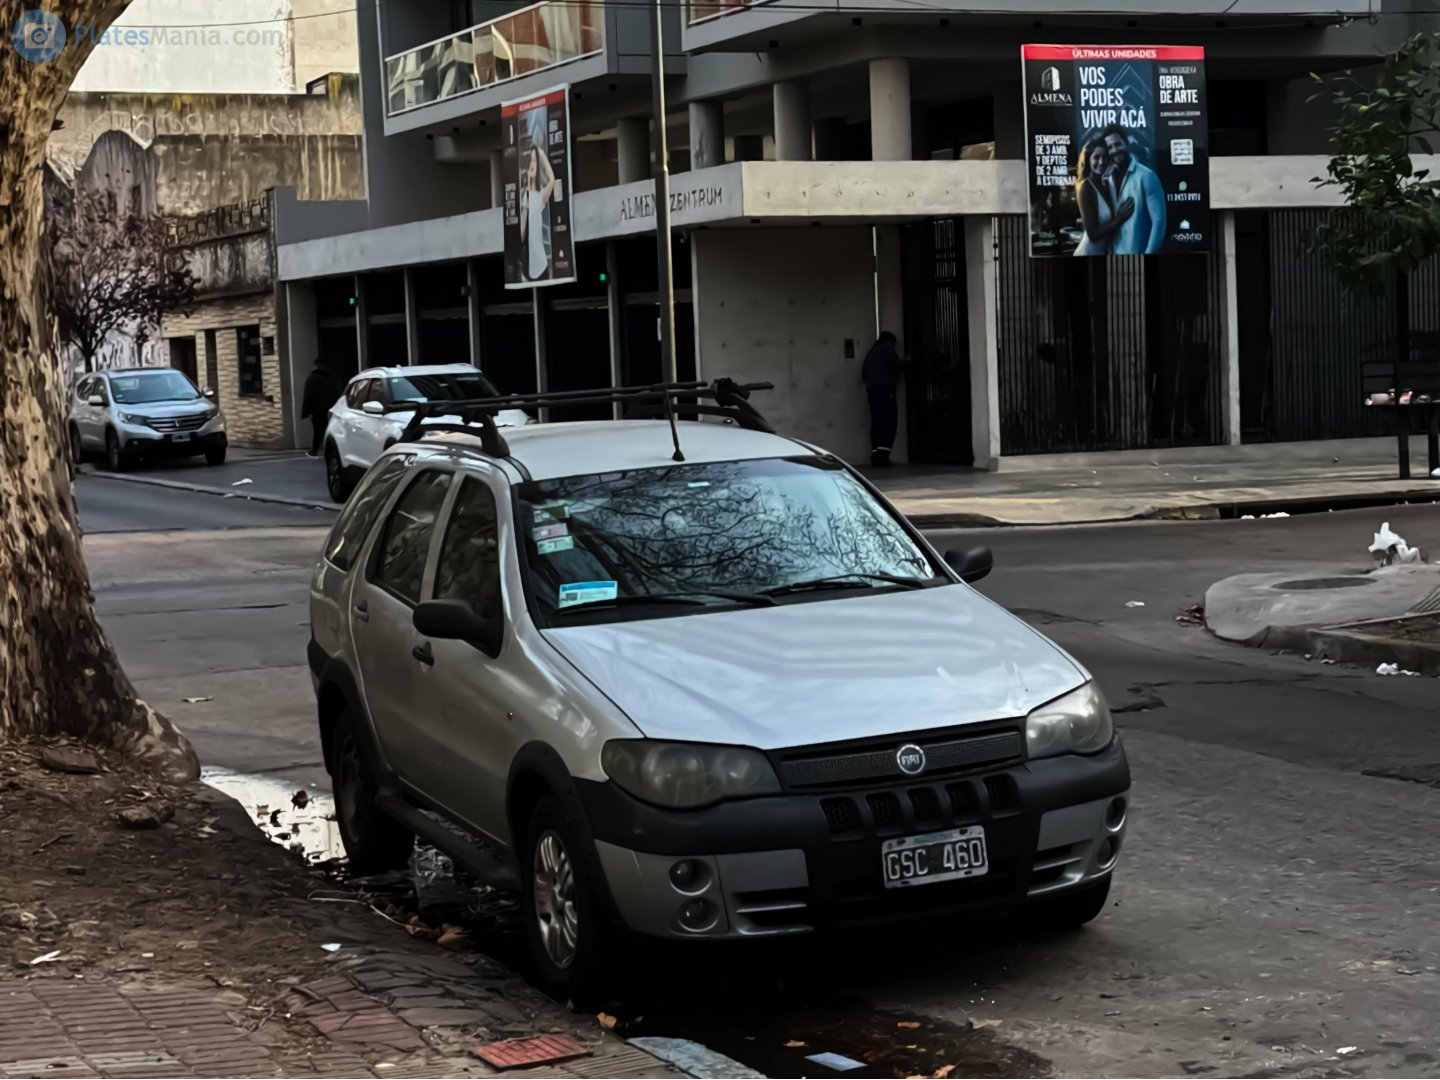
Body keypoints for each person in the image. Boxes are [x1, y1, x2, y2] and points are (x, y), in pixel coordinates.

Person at [1100, 124, 1166, 255]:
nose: (1114, 150)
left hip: (1139, 256)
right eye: (1110, 147)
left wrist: (1148, 255)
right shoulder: (1108, 179)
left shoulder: (1147, 176)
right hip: (1113, 256)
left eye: (1118, 144)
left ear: (1126, 142)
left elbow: (1159, 221)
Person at [1073, 138, 1134, 256]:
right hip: (1087, 254)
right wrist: (1119, 218)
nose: (1101, 162)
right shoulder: (1085, 188)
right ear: (1088, 159)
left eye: (1105, 157)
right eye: (1096, 157)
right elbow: (1092, 235)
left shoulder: (1107, 184)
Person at [862, 331, 907, 467]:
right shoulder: (887, 349)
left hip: (872, 391)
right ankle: (883, 457)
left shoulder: (871, 353)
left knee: (877, 423)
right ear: (889, 342)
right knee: (888, 422)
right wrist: (908, 362)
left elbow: (864, 375)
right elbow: (897, 365)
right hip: (885, 390)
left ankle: (876, 455)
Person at [519, 145, 557, 282]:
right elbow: (522, 235)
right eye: (530, 160)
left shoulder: (540, 196)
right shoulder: (524, 198)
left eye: (534, 160)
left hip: (540, 264)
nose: (531, 164)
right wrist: (524, 212)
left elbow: (552, 180)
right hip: (527, 264)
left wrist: (542, 155)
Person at [301, 358, 343, 457]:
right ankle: (330, 449)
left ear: (316, 365)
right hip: (332, 409)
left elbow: (308, 396)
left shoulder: (312, 378)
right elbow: (338, 393)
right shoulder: (333, 377)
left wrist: (307, 412)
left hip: (317, 410)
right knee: (331, 429)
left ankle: (315, 450)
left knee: (318, 430)